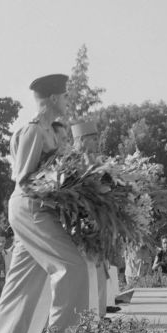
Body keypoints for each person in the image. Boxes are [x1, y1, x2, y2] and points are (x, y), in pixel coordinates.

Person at [0, 74, 89, 333]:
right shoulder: (33, 131)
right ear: (54, 98)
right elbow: (23, 178)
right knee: (71, 267)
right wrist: (65, 182)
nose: (68, 101)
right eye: (66, 96)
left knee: (23, 282)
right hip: (30, 206)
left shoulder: (55, 130)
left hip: (41, 208)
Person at [71, 120, 109, 320]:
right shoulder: (71, 166)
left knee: (100, 277)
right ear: (81, 140)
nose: (97, 142)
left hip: (99, 231)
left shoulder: (101, 163)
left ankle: (98, 320)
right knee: (83, 278)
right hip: (79, 233)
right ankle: (83, 321)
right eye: (93, 138)